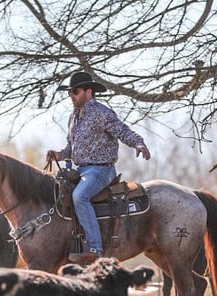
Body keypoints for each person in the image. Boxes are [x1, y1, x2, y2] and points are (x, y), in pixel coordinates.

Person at [46, 71, 151, 263]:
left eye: (75, 91)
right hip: (81, 171)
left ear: (88, 91)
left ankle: (95, 248)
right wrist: (58, 155)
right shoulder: (73, 117)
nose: (71, 96)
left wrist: (138, 143)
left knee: (80, 196)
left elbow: (122, 131)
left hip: (102, 170)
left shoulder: (101, 112)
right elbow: (71, 147)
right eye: (69, 92)